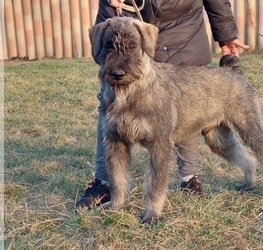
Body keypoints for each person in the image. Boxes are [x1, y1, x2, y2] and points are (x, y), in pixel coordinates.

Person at [76, 0, 249, 208]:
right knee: (110, 111)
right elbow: (101, 45)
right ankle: (104, 183)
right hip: (135, 38)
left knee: (184, 109)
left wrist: (226, 34)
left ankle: (189, 178)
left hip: (184, 37)